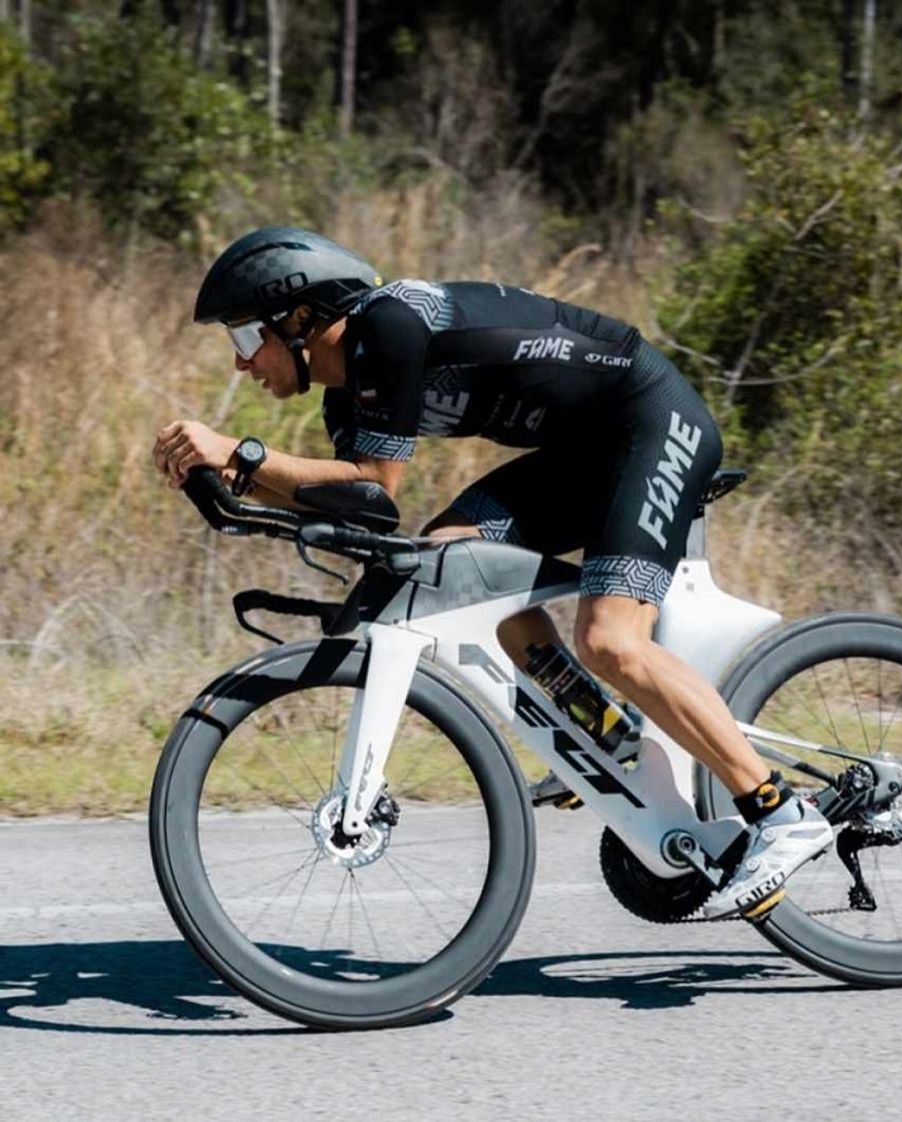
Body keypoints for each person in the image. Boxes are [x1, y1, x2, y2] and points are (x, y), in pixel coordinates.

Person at [152, 226, 833, 919]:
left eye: (245, 339)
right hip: (588, 452)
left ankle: (778, 811)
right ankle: (604, 735)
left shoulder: (386, 327)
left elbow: (372, 483)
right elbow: (365, 510)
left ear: (299, 319)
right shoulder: (348, 392)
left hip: (648, 422)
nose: (243, 365)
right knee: (456, 559)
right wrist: (228, 479)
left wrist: (240, 456)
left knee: (611, 640)